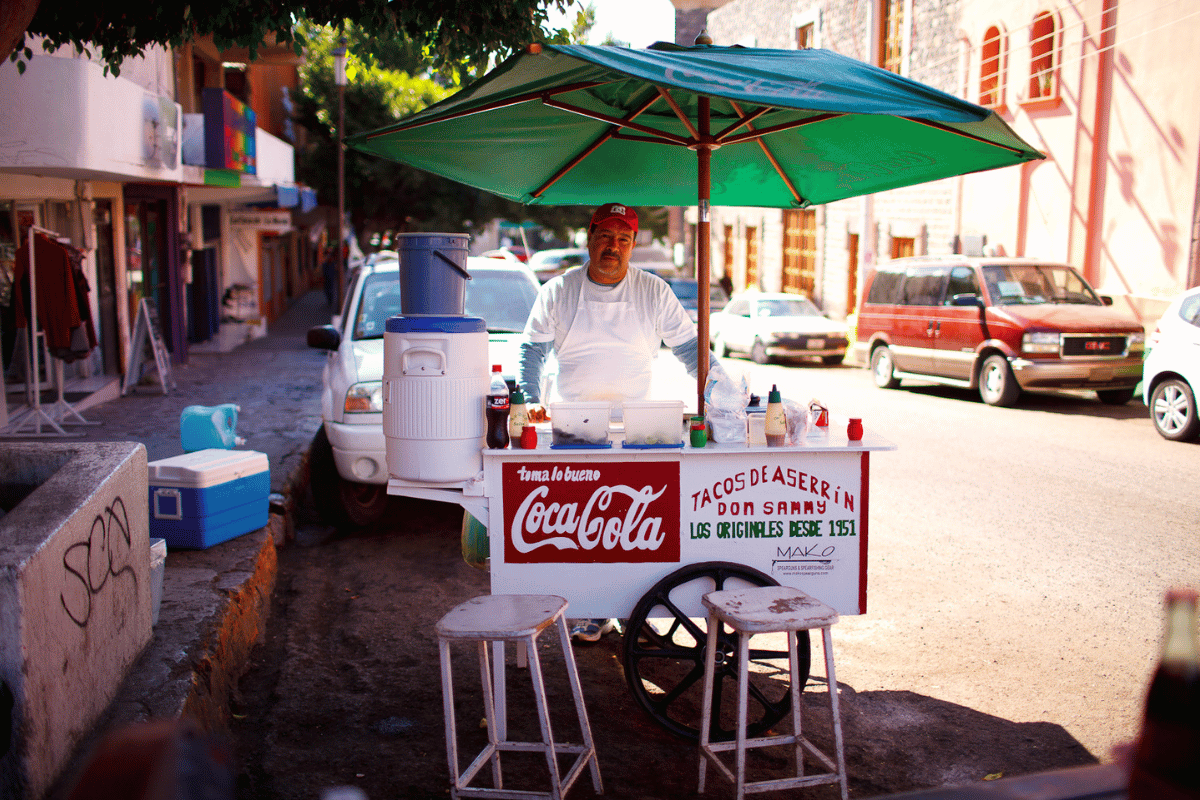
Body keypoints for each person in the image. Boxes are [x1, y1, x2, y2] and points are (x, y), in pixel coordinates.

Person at [518, 202, 719, 642]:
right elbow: (530, 353)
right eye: (605, 236)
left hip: (637, 427)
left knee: (634, 524)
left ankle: (632, 608)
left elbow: (691, 351)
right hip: (572, 426)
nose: (613, 247)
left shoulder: (653, 291)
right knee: (580, 529)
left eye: (623, 239)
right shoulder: (559, 290)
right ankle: (588, 610)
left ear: (633, 245)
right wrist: (530, 402)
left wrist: (717, 390)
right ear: (589, 237)